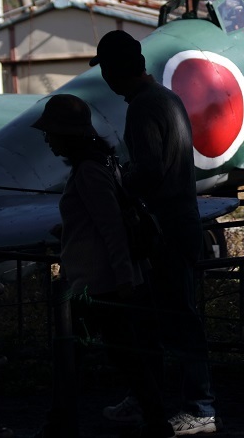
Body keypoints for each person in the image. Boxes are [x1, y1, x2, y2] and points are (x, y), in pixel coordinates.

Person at [91, 30, 218, 436]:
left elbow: (147, 172)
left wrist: (115, 181)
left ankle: (199, 409)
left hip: (162, 229)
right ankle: (152, 399)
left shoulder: (144, 108)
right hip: (178, 223)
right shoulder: (165, 98)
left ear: (112, 73)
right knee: (162, 318)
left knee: (175, 321)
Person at [31, 94, 172, 438]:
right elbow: (103, 220)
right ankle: (156, 422)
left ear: (67, 134)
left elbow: (111, 226)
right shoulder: (103, 163)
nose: (47, 138)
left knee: (72, 355)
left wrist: (123, 278)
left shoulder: (89, 171)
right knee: (125, 357)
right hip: (104, 282)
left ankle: (59, 426)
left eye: (51, 132)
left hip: (95, 285)